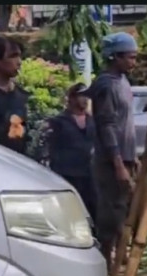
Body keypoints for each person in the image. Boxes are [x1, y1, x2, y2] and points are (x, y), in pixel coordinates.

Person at [86, 32, 139, 269]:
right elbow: (106, 126)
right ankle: (107, 266)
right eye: (130, 57)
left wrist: (132, 155)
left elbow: (125, 123)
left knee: (122, 210)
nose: (133, 62)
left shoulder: (123, 82)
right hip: (110, 162)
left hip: (125, 157)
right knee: (111, 214)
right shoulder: (106, 85)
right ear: (114, 57)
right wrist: (118, 164)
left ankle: (118, 261)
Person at [46, 83, 98, 221]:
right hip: (67, 172)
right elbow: (52, 147)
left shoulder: (92, 121)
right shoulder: (59, 121)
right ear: (73, 98)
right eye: (82, 96)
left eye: (87, 96)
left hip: (89, 174)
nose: (85, 100)